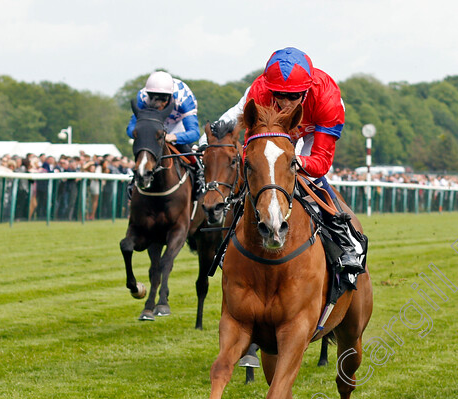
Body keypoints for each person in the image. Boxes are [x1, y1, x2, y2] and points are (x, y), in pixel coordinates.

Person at [213, 47, 364, 274]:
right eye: (280, 95)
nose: (285, 103)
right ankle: (229, 242)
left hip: (311, 130)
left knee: (310, 179)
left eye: (293, 96)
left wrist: (296, 162)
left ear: (305, 91)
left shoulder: (327, 98)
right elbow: (249, 150)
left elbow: (321, 161)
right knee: (257, 172)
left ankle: (345, 240)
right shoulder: (260, 93)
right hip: (271, 128)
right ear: (270, 90)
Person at [126, 71, 203, 199]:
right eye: (154, 98)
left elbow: (194, 133)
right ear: (148, 95)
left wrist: (173, 137)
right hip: (153, 124)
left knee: (185, 148)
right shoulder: (142, 97)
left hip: (178, 124)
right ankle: (136, 176)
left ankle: (198, 173)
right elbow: (130, 130)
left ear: (170, 96)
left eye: (163, 99)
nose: (160, 103)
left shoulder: (184, 99)